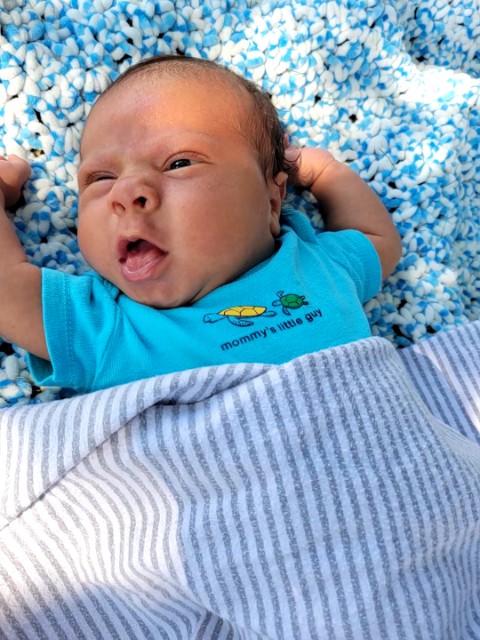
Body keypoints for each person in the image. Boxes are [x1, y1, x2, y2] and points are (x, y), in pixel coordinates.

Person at [0, 54, 402, 393]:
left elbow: (380, 242)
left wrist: (324, 173)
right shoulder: (109, 326)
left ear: (272, 200)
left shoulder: (315, 266)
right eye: (101, 178)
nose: (125, 191)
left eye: (179, 163)